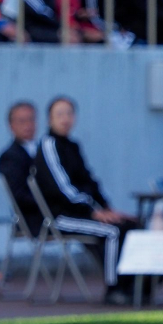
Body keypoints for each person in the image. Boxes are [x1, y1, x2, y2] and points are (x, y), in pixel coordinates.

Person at [32, 95, 139, 303]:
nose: (65, 119)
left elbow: (89, 181)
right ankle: (114, 288)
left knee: (129, 225)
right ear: (49, 120)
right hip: (62, 216)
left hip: (84, 212)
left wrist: (107, 208)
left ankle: (138, 285)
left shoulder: (73, 146)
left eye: (69, 113)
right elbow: (63, 188)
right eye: (59, 114)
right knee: (113, 232)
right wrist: (93, 211)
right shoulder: (49, 145)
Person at [0, 99, 42, 233]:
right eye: (22, 121)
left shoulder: (44, 150)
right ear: (11, 126)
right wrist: (53, 202)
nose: (28, 125)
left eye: (31, 120)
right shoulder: (10, 157)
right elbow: (20, 195)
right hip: (35, 219)